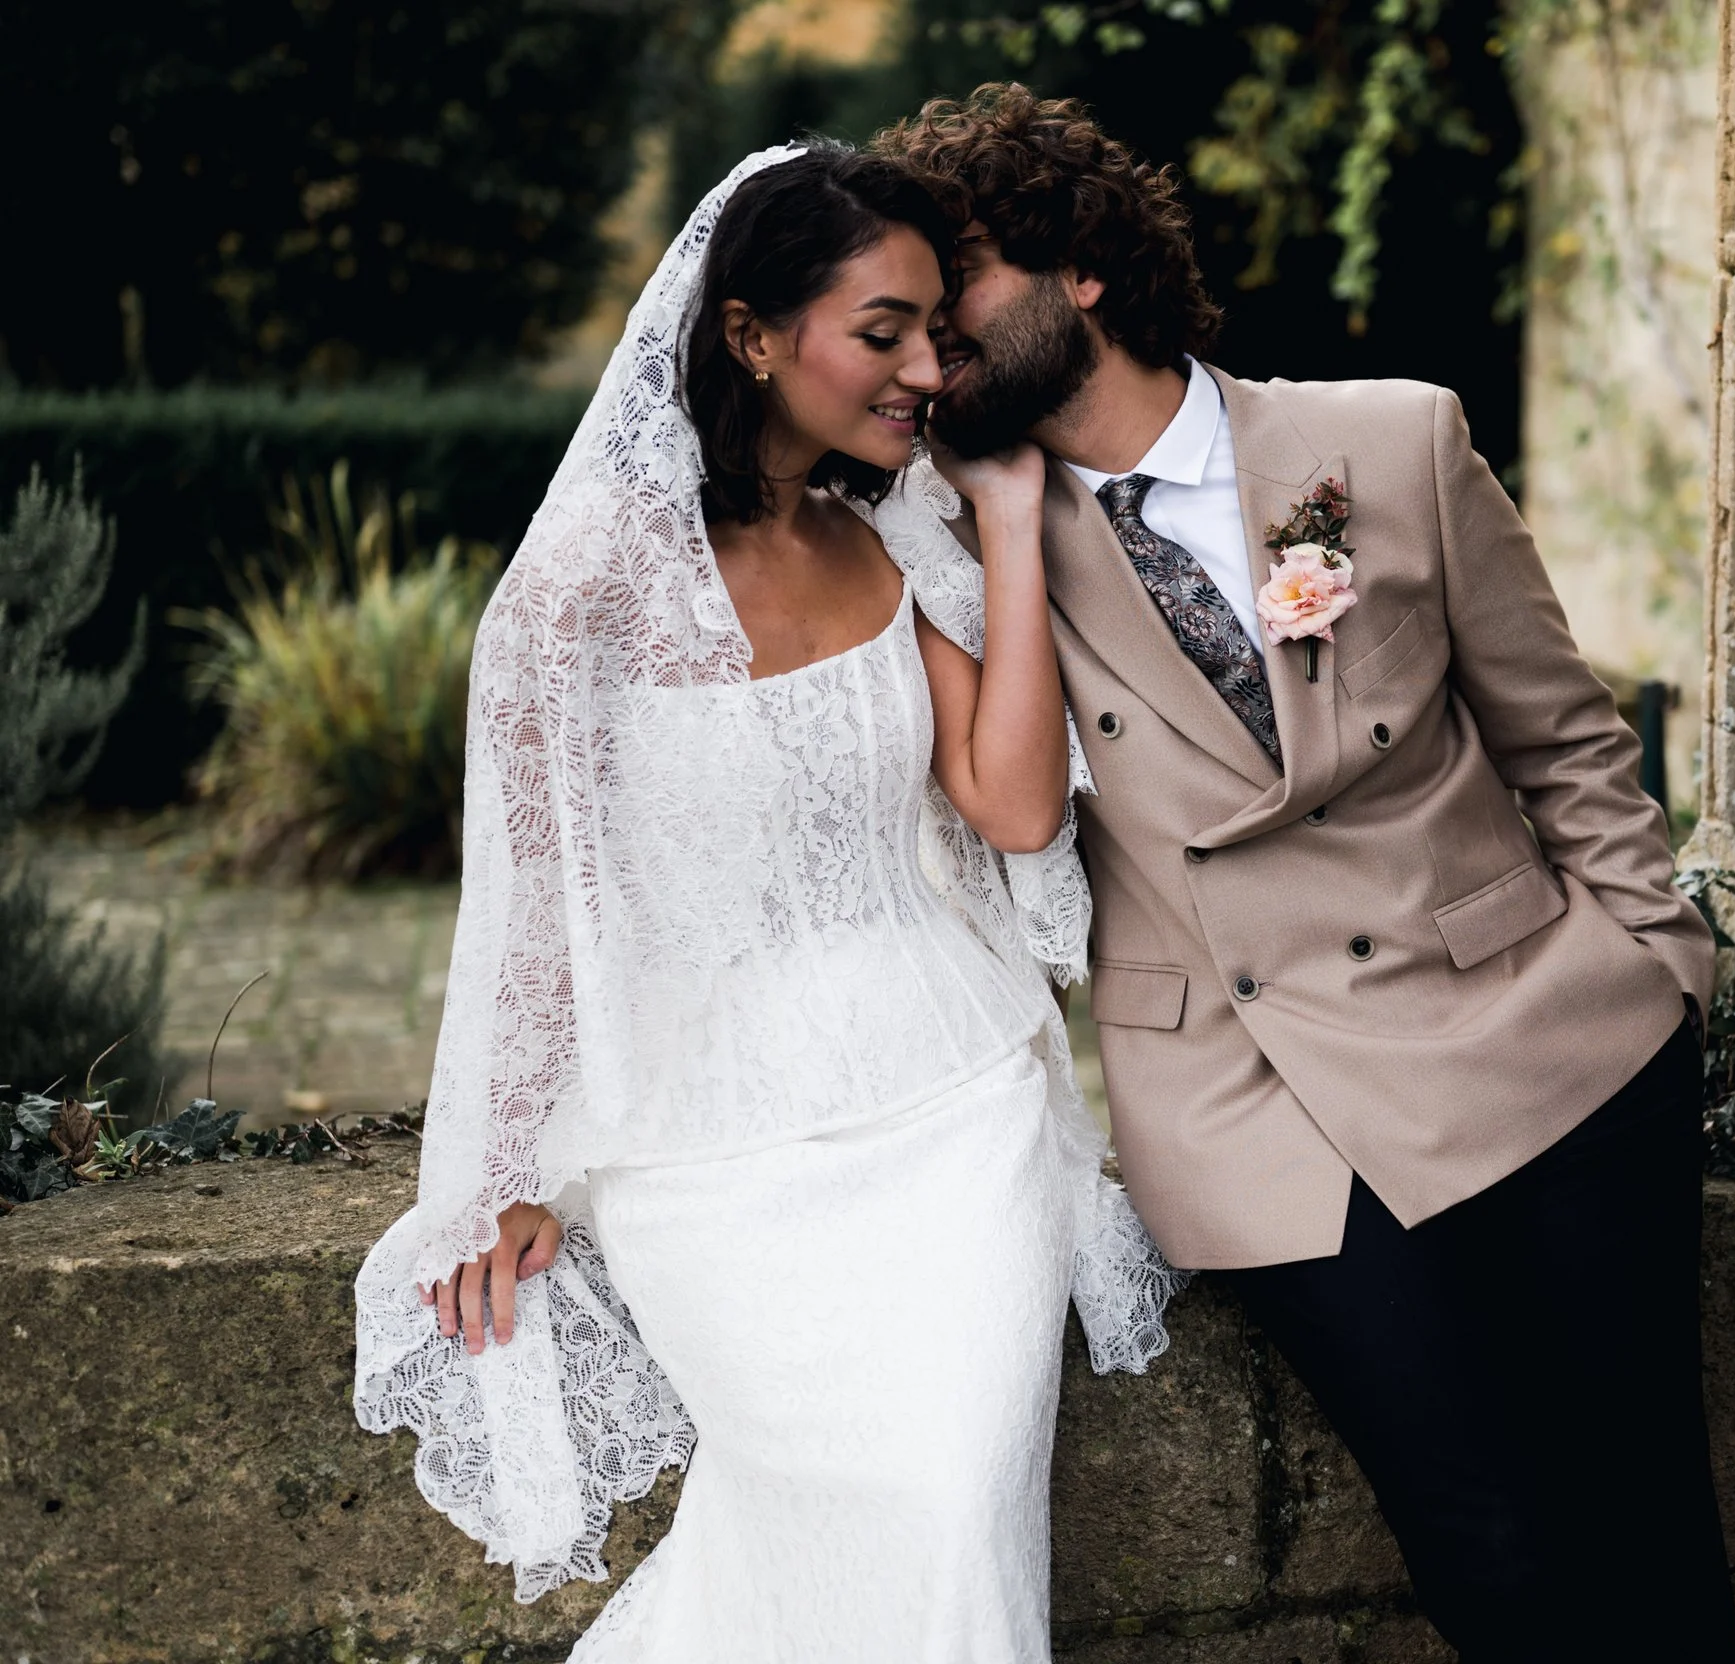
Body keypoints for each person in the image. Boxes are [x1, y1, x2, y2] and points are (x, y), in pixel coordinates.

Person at [882, 85, 1735, 1659]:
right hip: (1257, 1099)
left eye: (961, 298)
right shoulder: (955, 543)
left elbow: (1562, 738)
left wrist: (1653, 961)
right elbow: (1006, 813)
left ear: (1082, 268)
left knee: (1648, 1515)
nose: (934, 352)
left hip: (1547, 1036)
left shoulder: (1385, 440)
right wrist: (999, 526)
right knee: (1489, 1547)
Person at [348, 141, 1179, 1663]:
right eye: (885, 333)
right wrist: (506, 1169)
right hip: (708, 1150)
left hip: (952, 1118)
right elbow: (533, 910)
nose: (929, 368)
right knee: (815, 1516)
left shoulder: (872, 539)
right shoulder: (585, 588)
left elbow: (1012, 804)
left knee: (951, 1504)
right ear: (749, 331)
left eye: (936, 331)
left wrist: (1001, 521)